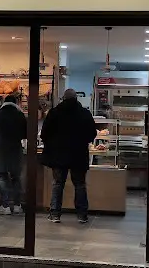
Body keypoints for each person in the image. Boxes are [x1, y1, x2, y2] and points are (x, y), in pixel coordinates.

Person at [40, 89, 96, 223]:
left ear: (63, 98)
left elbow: (44, 134)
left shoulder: (54, 113)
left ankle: (55, 214)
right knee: (80, 184)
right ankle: (82, 215)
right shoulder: (84, 113)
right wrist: (82, 142)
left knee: (58, 184)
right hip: (79, 155)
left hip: (58, 155)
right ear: (76, 99)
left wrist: (52, 144)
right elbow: (92, 134)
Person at [0, 95, 27, 215]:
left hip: (0, 150)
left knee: (2, 177)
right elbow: (25, 134)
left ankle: (5, 206)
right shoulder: (20, 115)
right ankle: (17, 205)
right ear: (16, 103)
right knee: (16, 177)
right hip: (15, 149)